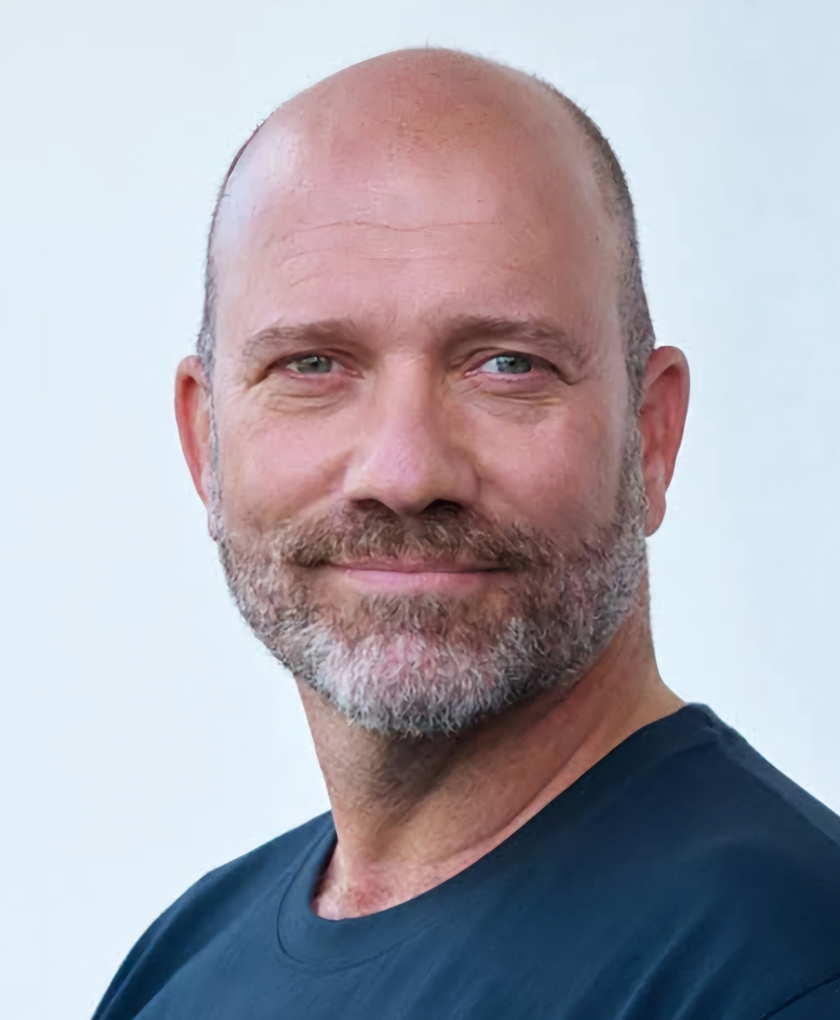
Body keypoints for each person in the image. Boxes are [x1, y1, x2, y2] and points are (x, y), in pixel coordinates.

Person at [92, 48, 840, 1020]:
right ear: (207, 444)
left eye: (507, 365)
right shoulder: (181, 967)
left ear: (651, 438)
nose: (406, 475)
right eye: (312, 364)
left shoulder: (786, 969)